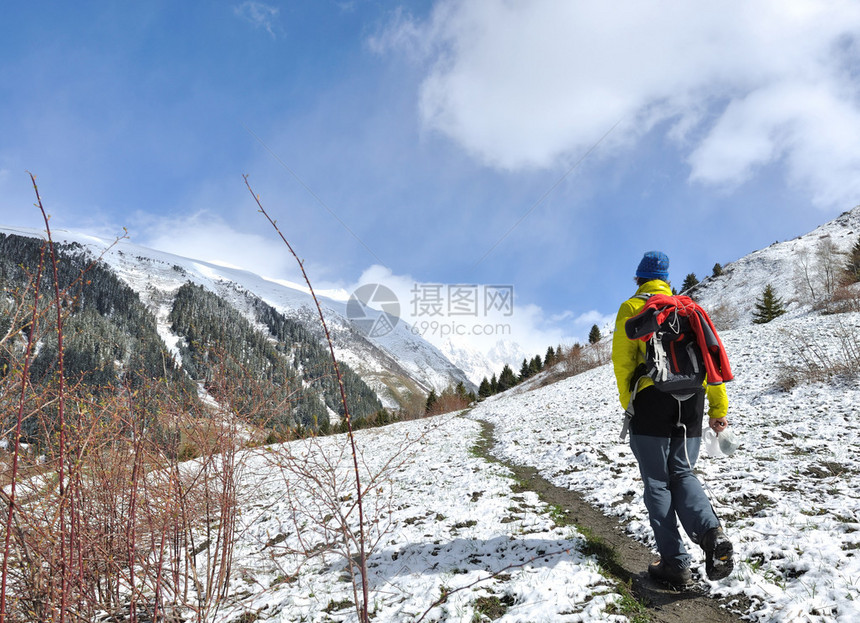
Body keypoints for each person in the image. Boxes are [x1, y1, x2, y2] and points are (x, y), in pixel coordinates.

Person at [611, 251, 734, 585]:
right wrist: (718, 411)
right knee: (682, 473)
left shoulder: (633, 307)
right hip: (692, 403)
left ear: (639, 277)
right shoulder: (688, 308)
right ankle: (711, 535)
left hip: (652, 401)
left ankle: (675, 563)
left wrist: (631, 403)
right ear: (665, 278)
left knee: (656, 480)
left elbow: (623, 363)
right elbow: (711, 362)